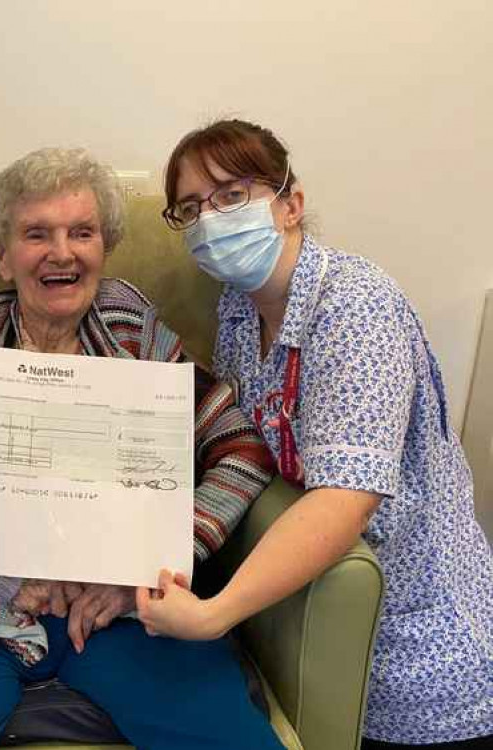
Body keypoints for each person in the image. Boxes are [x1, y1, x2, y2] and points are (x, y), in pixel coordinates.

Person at [0, 147, 284, 749]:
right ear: (3, 256)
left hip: (121, 617)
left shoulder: (132, 331)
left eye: (82, 232)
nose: (61, 252)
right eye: (36, 233)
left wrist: (154, 563)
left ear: (103, 248)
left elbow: (239, 448)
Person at [137, 118, 493, 749]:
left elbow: (343, 501)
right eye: (191, 209)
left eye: (230, 196)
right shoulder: (241, 310)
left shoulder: (356, 305)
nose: (210, 221)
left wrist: (214, 615)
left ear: (290, 204)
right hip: (314, 622)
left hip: (424, 643)